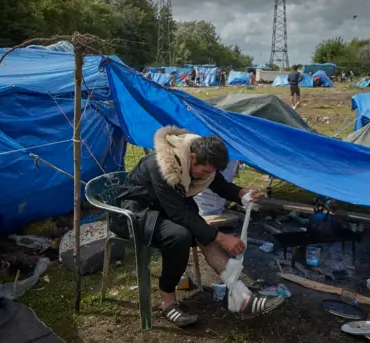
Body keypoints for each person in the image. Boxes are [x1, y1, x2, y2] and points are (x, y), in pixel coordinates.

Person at [115, 126, 285, 327]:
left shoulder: (202, 160)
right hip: (136, 213)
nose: (207, 175)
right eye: (205, 171)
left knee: (199, 230)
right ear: (193, 157)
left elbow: (221, 186)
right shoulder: (161, 165)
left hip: (165, 207)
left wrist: (241, 193)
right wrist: (221, 237)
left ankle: (241, 297)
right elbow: (178, 213)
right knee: (179, 235)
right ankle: (167, 303)